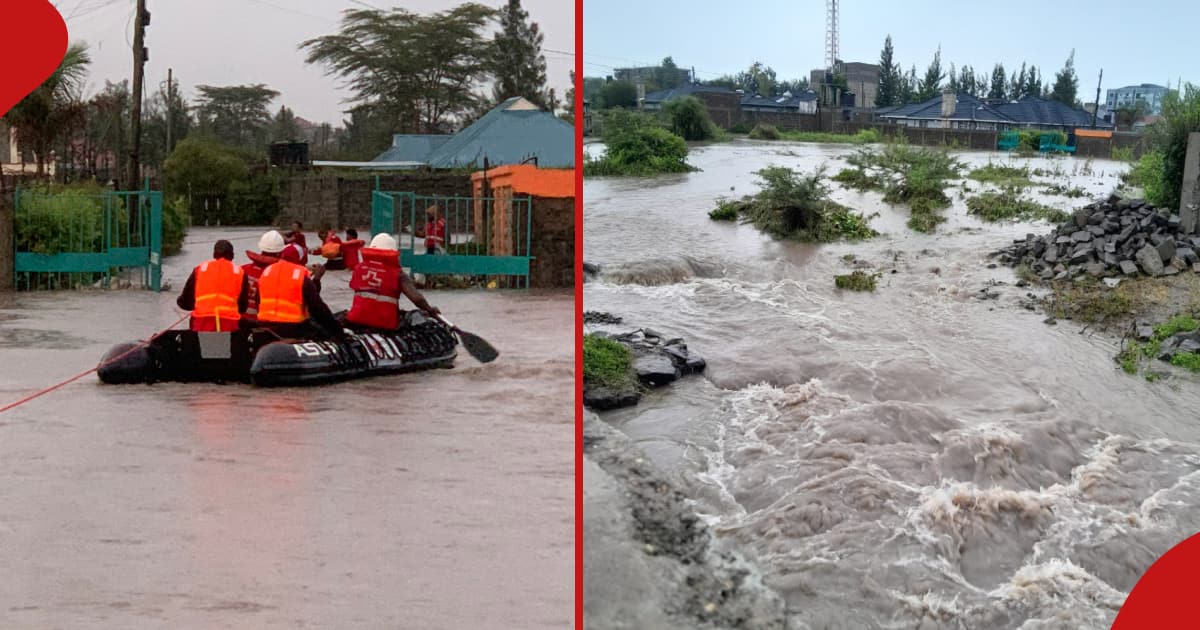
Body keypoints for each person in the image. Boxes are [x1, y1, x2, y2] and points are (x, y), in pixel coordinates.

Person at [345, 233, 440, 331]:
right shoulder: (398, 274)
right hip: (384, 324)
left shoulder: (359, 269)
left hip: (356, 320)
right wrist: (430, 310)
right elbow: (417, 299)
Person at [256, 242, 345, 341]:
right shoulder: (300, 275)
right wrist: (337, 331)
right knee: (322, 332)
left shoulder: (267, 271)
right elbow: (317, 308)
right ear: (301, 258)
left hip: (265, 326)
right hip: (293, 328)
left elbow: (258, 300)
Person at [176, 240, 250, 332]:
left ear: (214, 254)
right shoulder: (240, 272)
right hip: (229, 324)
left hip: (201, 323)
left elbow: (185, 303)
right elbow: (243, 307)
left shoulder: (200, 269)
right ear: (232, 255)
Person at [240, 230, 286, 326]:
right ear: (281, 252)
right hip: (266, 325)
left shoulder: (242, 270)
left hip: (242, 322)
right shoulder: (281, 274)